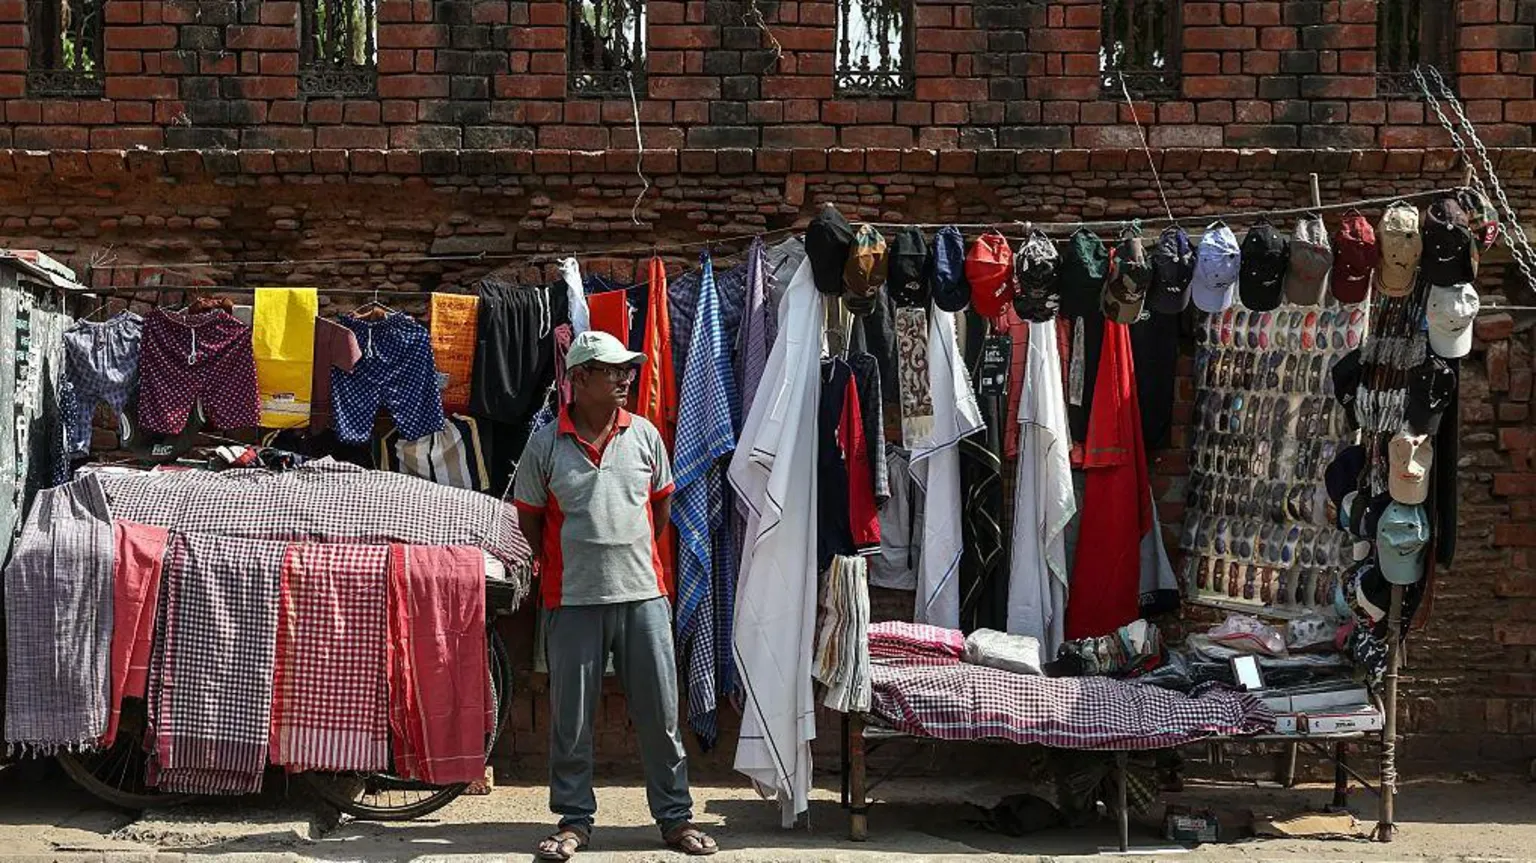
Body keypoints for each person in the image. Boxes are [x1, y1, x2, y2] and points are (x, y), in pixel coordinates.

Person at [513, 330, 719, 860]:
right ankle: (574, 822)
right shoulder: (545, 445)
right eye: (611, 369)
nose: (624, 377)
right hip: (573, 599)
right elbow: (530, 522)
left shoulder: (646, 436)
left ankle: (675, 819)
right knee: (571, 720)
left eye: (627, 368)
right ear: (578, 378)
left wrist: (623, 560)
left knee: (660, 715)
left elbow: (660, 513)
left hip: (644, 596)